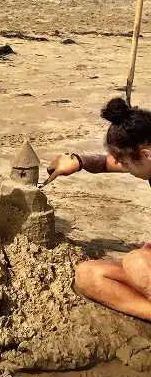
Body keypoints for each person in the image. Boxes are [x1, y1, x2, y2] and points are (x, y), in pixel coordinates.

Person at [46, 97, 151, 321]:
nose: (122, 167)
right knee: (88, 275)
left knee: (137, 262)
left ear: (145, 155)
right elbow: (105, 162)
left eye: (125, 163)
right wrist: (78, 161)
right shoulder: (146, 160)